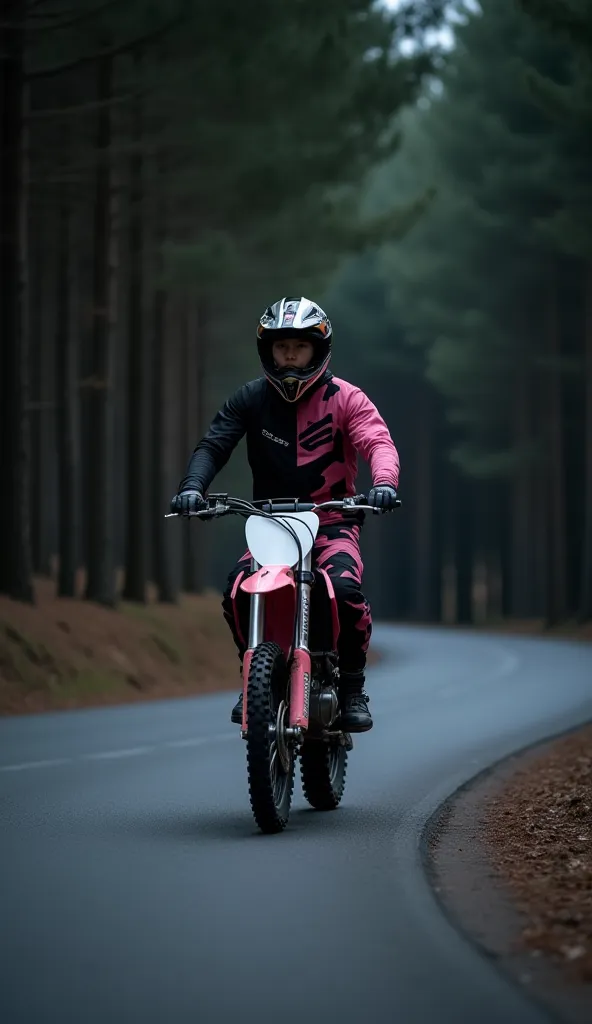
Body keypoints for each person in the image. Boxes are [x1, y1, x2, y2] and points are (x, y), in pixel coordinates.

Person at [171, 296, 400, 732]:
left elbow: (377, 442)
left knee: (347, 591)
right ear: (267, 351)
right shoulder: (250, 399)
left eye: (300, 346)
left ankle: (352, 687)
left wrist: (384, 482)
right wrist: (191, 489)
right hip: (271, 526)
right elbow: (213, 445)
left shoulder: (347, 398)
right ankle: (253, 677)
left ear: (319, 349)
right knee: (237, 589)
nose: (290, 355)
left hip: (332, 523)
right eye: (281, 347)